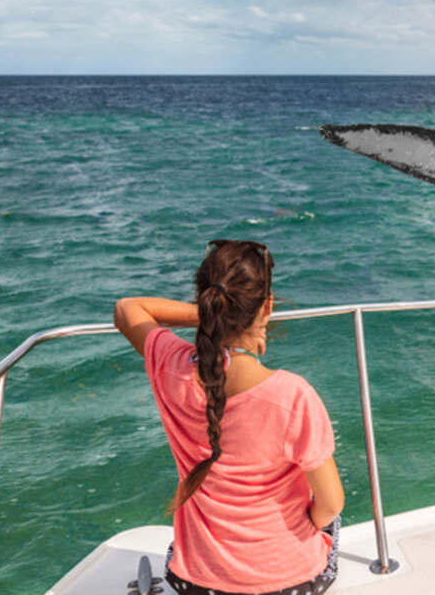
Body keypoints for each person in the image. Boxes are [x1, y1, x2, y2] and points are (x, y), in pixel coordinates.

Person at [114, 239, 345, 594]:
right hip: (289, 581)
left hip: (197, 581)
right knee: (332, 518)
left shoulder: (170, 366)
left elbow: (128, 308)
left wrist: (214, 317)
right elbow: (330, 505)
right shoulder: (292, 396)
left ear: (206, 301)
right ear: (266, 307)